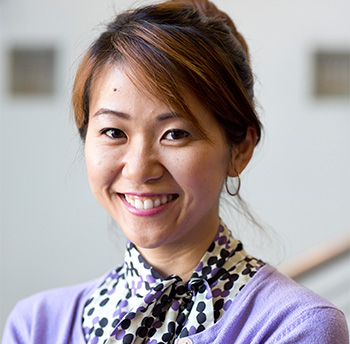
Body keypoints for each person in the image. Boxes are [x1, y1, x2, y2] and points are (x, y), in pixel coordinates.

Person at [2, 0, 348, 343]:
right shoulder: (36, 326)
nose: (139, 169)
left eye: (176, 134)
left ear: (240, 149)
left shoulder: (295, 328)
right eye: (113, 132)